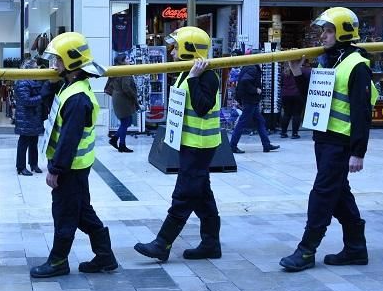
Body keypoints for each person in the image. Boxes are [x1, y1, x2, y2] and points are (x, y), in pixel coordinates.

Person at [279, 7, 379, 272]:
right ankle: (356, 248)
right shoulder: (330, 60)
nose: (322, 36)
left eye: (328, 30)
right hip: (323, 138)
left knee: (322, 194)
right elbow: (316, 100)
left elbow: (362, 112)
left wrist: (359, 152)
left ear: (344, 32)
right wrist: (298, 73)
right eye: (323, 30)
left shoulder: (356, 65)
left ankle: (306, 250)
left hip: (340, 142)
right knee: (339, 194)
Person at [30, 32, 119, 278]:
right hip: (75, 167)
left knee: (65, 213)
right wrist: (50, 84)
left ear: (71, 63)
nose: (53, 65)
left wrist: (56, 169)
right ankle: (105, 256)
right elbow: (48, 111)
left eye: (57, 60)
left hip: (71, 168)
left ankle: (58, 261)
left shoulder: (78, 97)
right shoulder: (70, 86)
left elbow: (69, 139)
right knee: (81, 211)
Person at [134, 27, 224, 263]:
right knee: (202, 195)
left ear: (189, 49)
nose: (171, 52)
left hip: (200, 144)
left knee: (184, 194)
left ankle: (162, 243)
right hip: (191, 143)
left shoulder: (206, 75)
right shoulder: (188, 72)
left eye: (176, 47)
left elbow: (203, 107)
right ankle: (211, 244)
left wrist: (194, 79)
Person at [229, 54, 280, 154]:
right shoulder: (252, 68)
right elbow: (245, 81)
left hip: (250, 100)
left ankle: (266, 145)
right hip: (250, 100)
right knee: (242, 122)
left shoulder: (249, 66)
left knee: (260, 121)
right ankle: (232, 145)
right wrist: (255, 90)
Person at [14, 59, 44, 176]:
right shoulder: (23, 82)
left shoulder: (33, 80)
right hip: (25, 119)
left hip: (34, 118)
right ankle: (20, 167)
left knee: (34, 142)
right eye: (36, 67)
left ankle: (33, 164)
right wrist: (41, 97)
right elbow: (26, 101)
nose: (38, 69)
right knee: (23, 143)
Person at [106, 53, 139, 153]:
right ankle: (121, 144)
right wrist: (134, 96)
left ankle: (115, 140)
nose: (129, 60)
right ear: (122, 61)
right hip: (123, 99)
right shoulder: (125, 71)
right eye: (127, 59)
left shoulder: (116, 70)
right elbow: (126, 87)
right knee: (126, 121)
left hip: (118, 97)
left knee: (126, 121)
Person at [279, 64, 307, 139]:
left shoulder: (283, 73)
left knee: (286, 114)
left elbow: (281, 84)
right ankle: (294, 134)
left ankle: (283, 132)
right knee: (296, 114)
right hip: (297, 94)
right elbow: (302, 83)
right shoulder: (298, 71)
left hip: (285, 95)